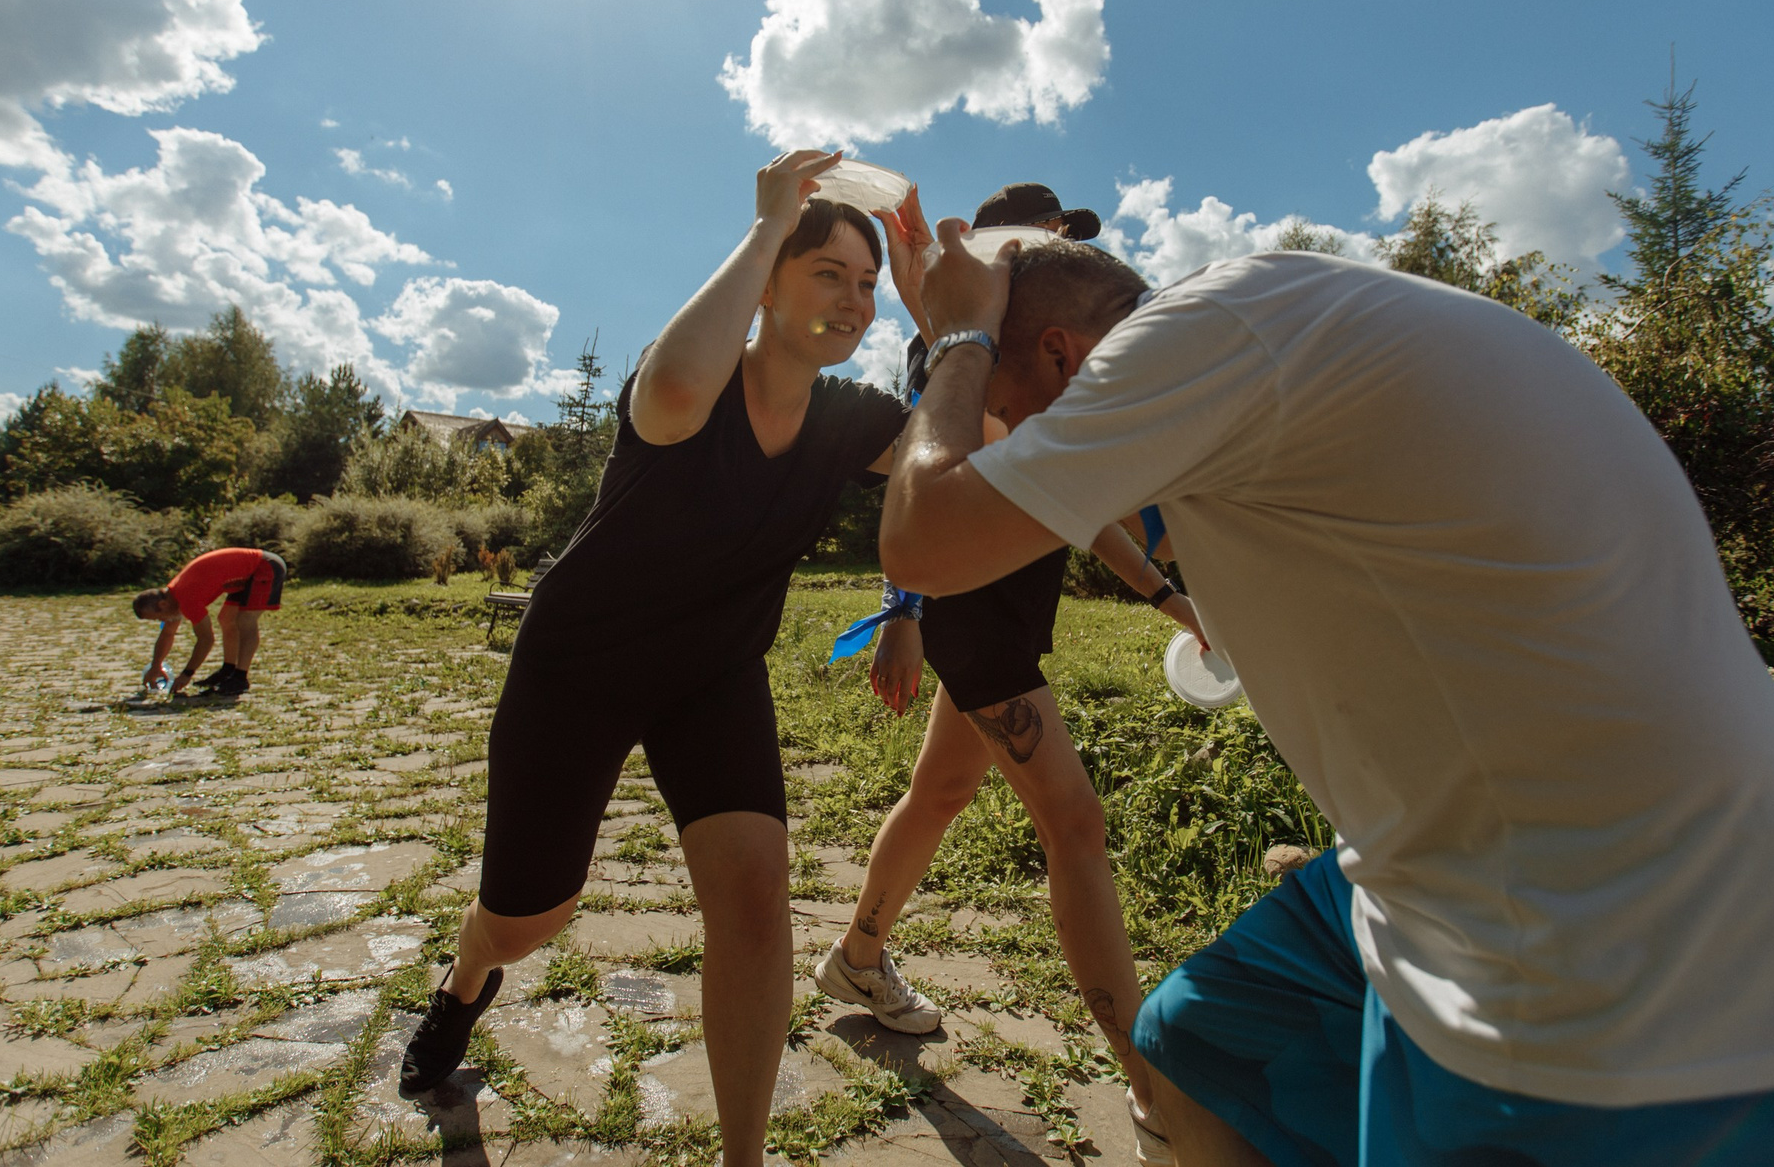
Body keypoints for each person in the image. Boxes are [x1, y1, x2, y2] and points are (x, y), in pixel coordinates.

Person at [874, 226, 1774, 1166]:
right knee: (1199, 1047)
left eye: (1012, 412)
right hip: (1450, 870)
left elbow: (926, 539)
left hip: (1622, 954)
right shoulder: (1268, 331)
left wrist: (958, 333)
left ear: (1064, 355)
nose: (1013, 439)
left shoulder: (1197, 335)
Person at [396, 150, 908, 1167]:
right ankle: (465, 978)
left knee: (757, 896)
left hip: (713, 675)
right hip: (580, 664)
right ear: (768, 282)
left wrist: (941, 309)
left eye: (868, 284)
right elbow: (672, 389)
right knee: (529, 918)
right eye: (828, 274)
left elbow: (980, 450)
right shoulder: (693, 376)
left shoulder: (856, 422)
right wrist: (767, 224)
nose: (854, 302)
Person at [811, 183, 1200, 1163]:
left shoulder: (1033, 351)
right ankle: (1150, 1085)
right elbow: (923, 481)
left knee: (940, 792)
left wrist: (1165, 596)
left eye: (1069, 237)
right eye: (1052, 233)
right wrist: (903, 614)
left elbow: (1078, 494)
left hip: (1007, 616)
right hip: (975, 618)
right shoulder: (961, 349)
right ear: (1008, 241)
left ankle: (857, 957)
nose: (1061, 246)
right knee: (1075, 823)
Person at [132, 546, 288, 697]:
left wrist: (187, 674)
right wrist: (156, 665)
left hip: (264, 566)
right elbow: (167, 633)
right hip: (245, 576)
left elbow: (206, 640)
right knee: (226, 619)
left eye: (158, 618)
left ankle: (240, 678)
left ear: (162, 605)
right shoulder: (173, 597)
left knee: (245, 620)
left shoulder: (186, 598)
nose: (161, 621)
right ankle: (228, 671)